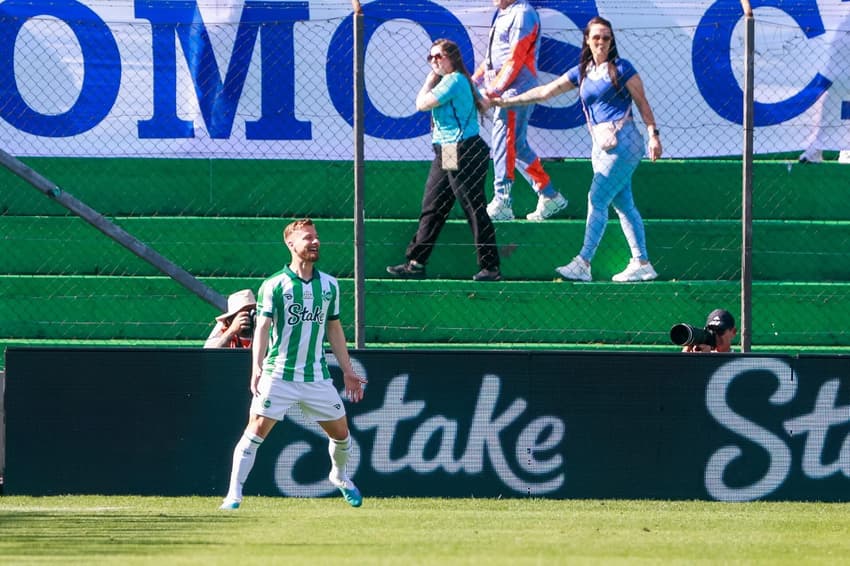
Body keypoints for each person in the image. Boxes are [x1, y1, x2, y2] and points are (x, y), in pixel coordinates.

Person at [494, 16, 661, 282]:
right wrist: (506, 101)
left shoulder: (621, 67)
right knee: (624, 204)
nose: (602, 42)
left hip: (624, 141)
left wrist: (653, 135)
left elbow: (642, 102)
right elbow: (546, 91)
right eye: (596, 37)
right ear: (587, 39)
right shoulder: (582, 71)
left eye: (606, 37)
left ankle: (583, 261)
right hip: (601, 144)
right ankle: (642, 262)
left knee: (596, 199)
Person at [220, 218, 368, 510]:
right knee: (255, 430)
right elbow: (262, 328)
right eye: (307, 238)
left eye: (316, 237)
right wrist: (257, 366)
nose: (315, 242)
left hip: (316, 377)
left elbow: (334, 329)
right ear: (291, 244)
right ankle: (233, 495)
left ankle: (339, 476)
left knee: (342, 435)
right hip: (279, 374)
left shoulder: (329, 285)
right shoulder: (274, 284)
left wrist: (349, 371)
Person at [386, 38, 503, 282]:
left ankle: (490, 266)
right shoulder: (456, 80)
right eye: (431, 58)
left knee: (473, 206)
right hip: (447, 150)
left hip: (464, 150)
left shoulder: (455, 80)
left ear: (452, 57)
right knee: (434, 205)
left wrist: (429, 79)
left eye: (439, 56)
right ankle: (416, 262)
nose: (435, 61)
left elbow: (421, 104)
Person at [474, 0, 568, 222]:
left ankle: (503, 202)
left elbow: (515, 58)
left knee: (504, 143)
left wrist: (494, 90)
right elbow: (491, 60)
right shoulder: (504, 13)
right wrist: (475, 81)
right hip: (503, 91)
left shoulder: (523, 13)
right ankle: (549, 194)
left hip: (514, 93)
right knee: (516, 145)